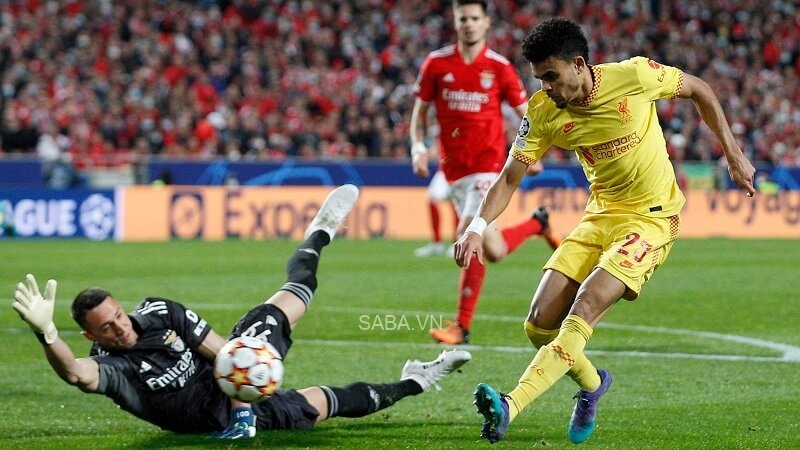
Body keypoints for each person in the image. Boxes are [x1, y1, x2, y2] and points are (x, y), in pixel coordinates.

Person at [454, 17, 756, 444]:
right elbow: (508, 178)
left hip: (651, 217)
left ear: (579, 65)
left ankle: (511, 403)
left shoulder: (634, 76)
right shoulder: (543, 112)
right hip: (599, 216)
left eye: (552, 77)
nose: (546, 88)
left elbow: (700, 90)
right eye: (540, 79)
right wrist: (476, 227)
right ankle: (594, 385)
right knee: (539, 327)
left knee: (585, 307)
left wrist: (734, 153)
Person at [11, 184, 472, 440]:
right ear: (94, 338)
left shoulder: (159, 313)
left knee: (285, 303)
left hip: (236, 387)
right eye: (107, 329)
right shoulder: (114, 370)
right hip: (213, 418)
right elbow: (74, 373)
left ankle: (319, 233)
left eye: (118, 316)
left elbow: (224, 352)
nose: (119, 327)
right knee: (329, 403)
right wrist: (47, 333)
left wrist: (242, 409)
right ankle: (417, 379)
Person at [409, 0, 560, 345]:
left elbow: (528, 112)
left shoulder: (500, 68)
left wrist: (529, 152)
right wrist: (418, 148)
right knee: (493, 250)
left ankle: (461, 327)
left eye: (475, 18)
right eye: (463, 18)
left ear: (486, 22)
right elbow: (420, 113)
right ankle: (538, 223)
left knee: (467, 233)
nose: (469, 24)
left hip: (489, 169)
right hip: (453, 172)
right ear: (455, 21)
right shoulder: (436, 64)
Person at [413, 169, 458, 257]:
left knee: (457, 201)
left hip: (459, 169)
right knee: (432, 198)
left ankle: (457, 243)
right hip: (444, 168)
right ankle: (437, 243)